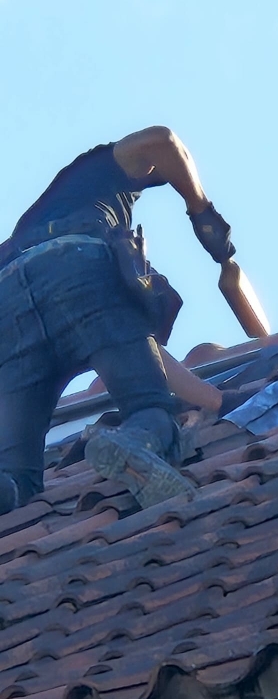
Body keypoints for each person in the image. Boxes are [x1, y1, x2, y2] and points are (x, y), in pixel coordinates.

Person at [0, 126, 235, 515]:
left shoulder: (23, 233)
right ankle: (136, 439)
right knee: (149, 408)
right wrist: (200, 209)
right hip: (74, 265)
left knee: (16, 474)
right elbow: (163, 140)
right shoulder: (97, 172)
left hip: (7, 308)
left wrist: (214, 399)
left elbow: (145, 352)